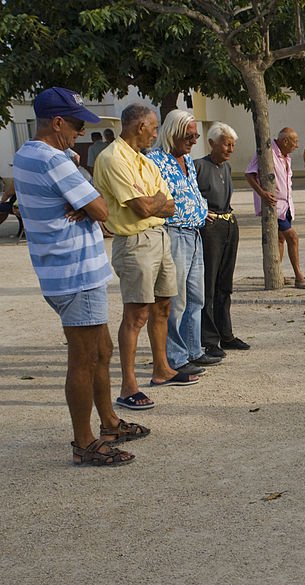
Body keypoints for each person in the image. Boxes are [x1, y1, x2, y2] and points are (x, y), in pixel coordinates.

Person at [14, 87, 147, 466]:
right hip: (75, 271)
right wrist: (86, 199)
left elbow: (90, 203)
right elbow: (102, 209)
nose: (80, 133)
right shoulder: (54, 161)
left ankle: (108, 422)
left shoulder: (28, 154)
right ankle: (84, 441)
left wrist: (84, 198)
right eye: (74, 125)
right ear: (56, 122)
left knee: (101, 351)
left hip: (63, 270)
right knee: (85, 359)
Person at [93, 103, 199, 411]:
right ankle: (128, 386)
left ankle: (162, 369)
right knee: (136, 313)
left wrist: (155, 202)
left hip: (159, 237)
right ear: (140, 127)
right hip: (135, 242)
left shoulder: (144, 161)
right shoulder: (112, 158)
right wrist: (156, 202)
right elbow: (142, 206)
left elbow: (170, 203)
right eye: (154, 128)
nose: (156, 134)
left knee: (163, 306)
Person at [147, 110, 220, 377]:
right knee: (175, 299)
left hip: (195, 232)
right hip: (174, 233)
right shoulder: (155, 160)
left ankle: (193, 350)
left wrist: (201, 211)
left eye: (195, 135)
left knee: (196, 296)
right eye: (189, 135)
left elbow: (191, 193)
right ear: (173, 132)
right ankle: (175, 357)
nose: (193, 140)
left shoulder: (187, 160)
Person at [195, 122, 250, 358]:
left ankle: (225, 334)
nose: (230, 149)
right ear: (212, 143)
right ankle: (208, 339)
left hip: (228, 224)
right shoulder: (198, 166)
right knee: (209, 284)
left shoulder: (226, 169)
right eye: (226, 144)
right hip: (210, 228)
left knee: (225, 284)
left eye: (233, 145)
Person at [245, 127, 305, 289]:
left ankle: (277, 272)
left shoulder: (286, 157)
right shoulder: (267, 152)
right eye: (294, 142)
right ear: (285, 141)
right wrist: (262, 193)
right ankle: (298, 275)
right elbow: (249, 173)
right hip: (275, 206)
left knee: (281, 239)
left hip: (287, 204)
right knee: (293, 237)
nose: (296, 146)